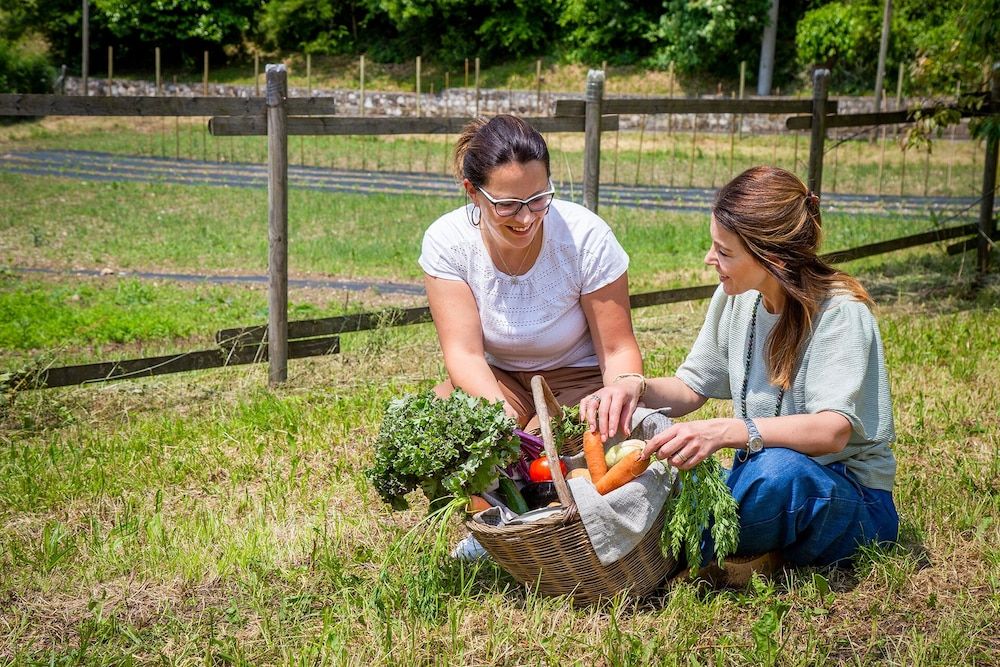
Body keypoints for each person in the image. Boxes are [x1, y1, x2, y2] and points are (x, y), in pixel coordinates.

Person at [583, 165, 899, 577]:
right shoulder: (738, 298)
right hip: (758, 477)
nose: (709, 259)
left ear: (771, 257)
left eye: (725, 252)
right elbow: (690, 388)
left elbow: (832, 431)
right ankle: (735, 557)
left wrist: (728, 431)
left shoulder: (840, 314)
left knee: (775, 474)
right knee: (692, 472)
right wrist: (633, 387)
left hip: (848, 498)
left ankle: (654, 555)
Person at [420, 114, 644, 431]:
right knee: (439, 437)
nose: (526, 218)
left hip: (577, 378)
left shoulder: (586, 239)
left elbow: (616, 348)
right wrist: (499, 417)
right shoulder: (447, 242)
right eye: (508, 204)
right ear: (473, 192)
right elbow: (465, 354)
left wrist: (617, 393)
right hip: (498, 378)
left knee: (557, 454)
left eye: (538, 199)